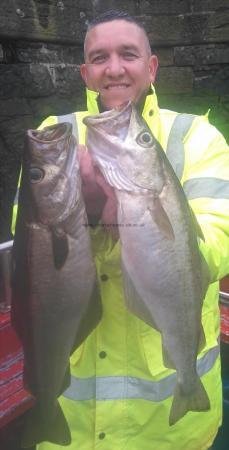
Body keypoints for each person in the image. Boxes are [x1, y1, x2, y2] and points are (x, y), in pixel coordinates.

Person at [25, 9, 229, 450]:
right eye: (99, 58)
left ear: (151, 66)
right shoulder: (52, 136)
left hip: (168, 429)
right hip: (75, 425)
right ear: (84, 72)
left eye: (128, 55)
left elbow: (217, 247)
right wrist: (91, 216)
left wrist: (120, 214)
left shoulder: (197, 137)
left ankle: (187, 387)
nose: (114, 69)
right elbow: (34, 256)